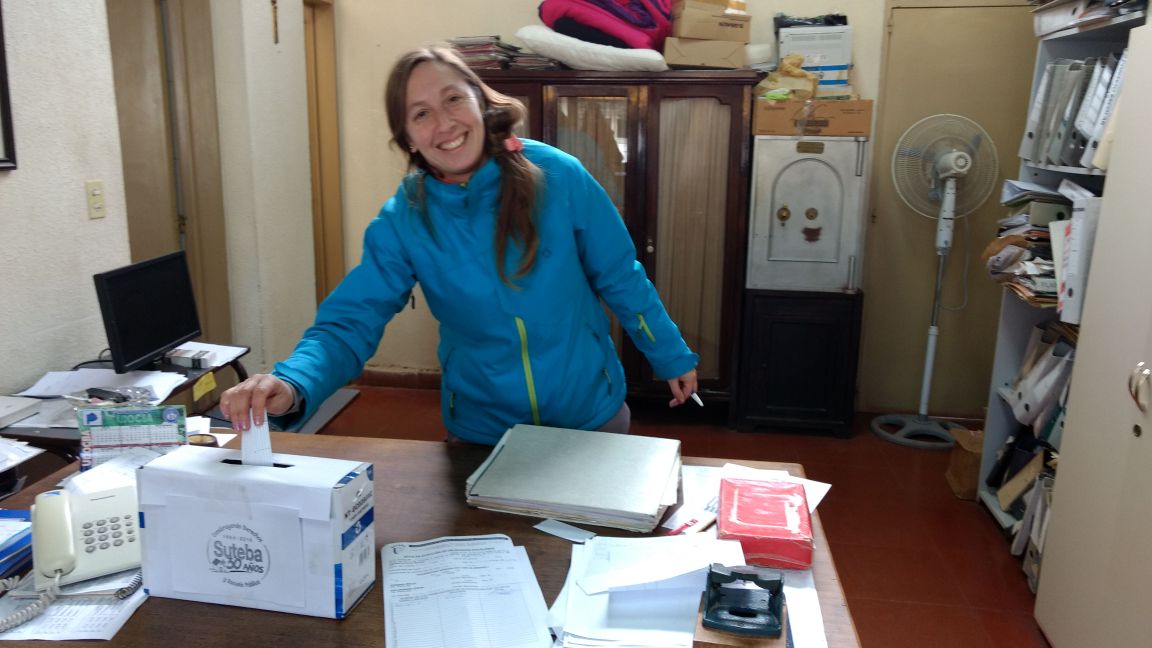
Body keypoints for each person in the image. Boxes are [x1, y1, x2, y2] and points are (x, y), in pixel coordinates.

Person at [220, 46, 699, 445]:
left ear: (480, 102)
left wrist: (670, 354)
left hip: (590, 416)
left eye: (453, 99)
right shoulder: (404, 219)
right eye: (421, 114)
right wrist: (294, 380)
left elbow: (620, 275)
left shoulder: (559, 174)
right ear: (409, 138)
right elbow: (350, 322)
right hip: (483, 433)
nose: (444, 123)